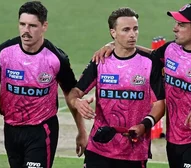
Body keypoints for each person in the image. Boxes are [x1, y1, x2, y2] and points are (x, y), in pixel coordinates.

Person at [93, 3, 191, 168]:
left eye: (181, 25)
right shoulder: (171, 49)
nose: (175, 28)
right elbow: (149, 56)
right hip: (174, 140)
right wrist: (113, 45)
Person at [0, 1, 87, 168]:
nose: (26, 30)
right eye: (22, 24)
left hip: (42, 130)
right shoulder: (4, 53)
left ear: (44, 26)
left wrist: (81, 131)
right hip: (11, 130)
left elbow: (71, 94)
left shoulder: (56, 58)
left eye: (32, 25)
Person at [68, 7, 165, 168]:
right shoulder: (100, 60)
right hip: (99, 147)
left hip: (134, 151)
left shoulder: (149, 63)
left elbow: (160, 104)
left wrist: (144, 125)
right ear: (113, 32)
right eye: (126, 30)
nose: (132, 34)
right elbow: (75, 92)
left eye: (135, 29)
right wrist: (77, 102)